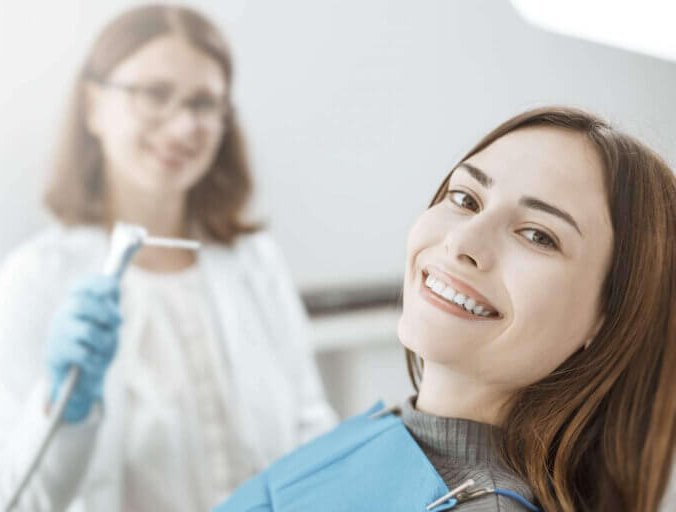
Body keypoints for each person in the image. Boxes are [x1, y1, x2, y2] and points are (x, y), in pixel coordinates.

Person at [214, 107, 676, 512]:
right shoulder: (394, 431)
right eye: (465, 199)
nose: (463, 241)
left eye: (537, 235)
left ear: (611, 317)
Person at [0, 5, 336, 511]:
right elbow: (9, 501)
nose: (184, 124)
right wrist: (62, 409)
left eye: (205, 103)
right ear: (93, 105)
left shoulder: (255, 263)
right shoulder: (36, 278)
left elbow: (310, 432)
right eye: (154, 95)